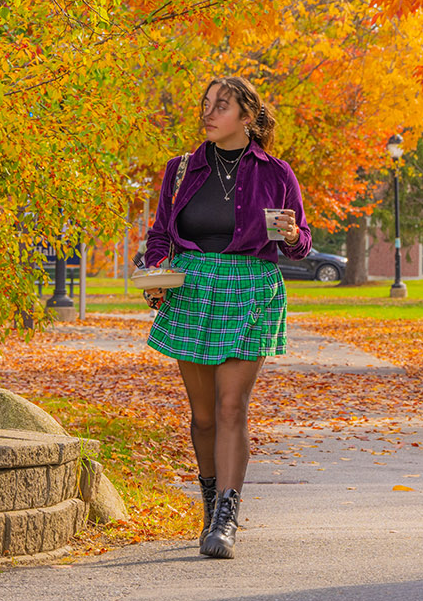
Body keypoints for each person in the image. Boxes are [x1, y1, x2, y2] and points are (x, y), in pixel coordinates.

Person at [140, 76, 313, 559]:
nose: (209, 112)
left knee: (232, 405)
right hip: (192, 290)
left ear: (247, 117)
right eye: (205, 104)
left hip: (250, 289)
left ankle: (226, 520)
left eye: (221, 105)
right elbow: (160, 236)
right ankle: (211, 502)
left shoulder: (277, 173)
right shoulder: (181, 170)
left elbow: (300, 245)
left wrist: (293, 233)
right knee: (203, 414)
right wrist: (156, 270)